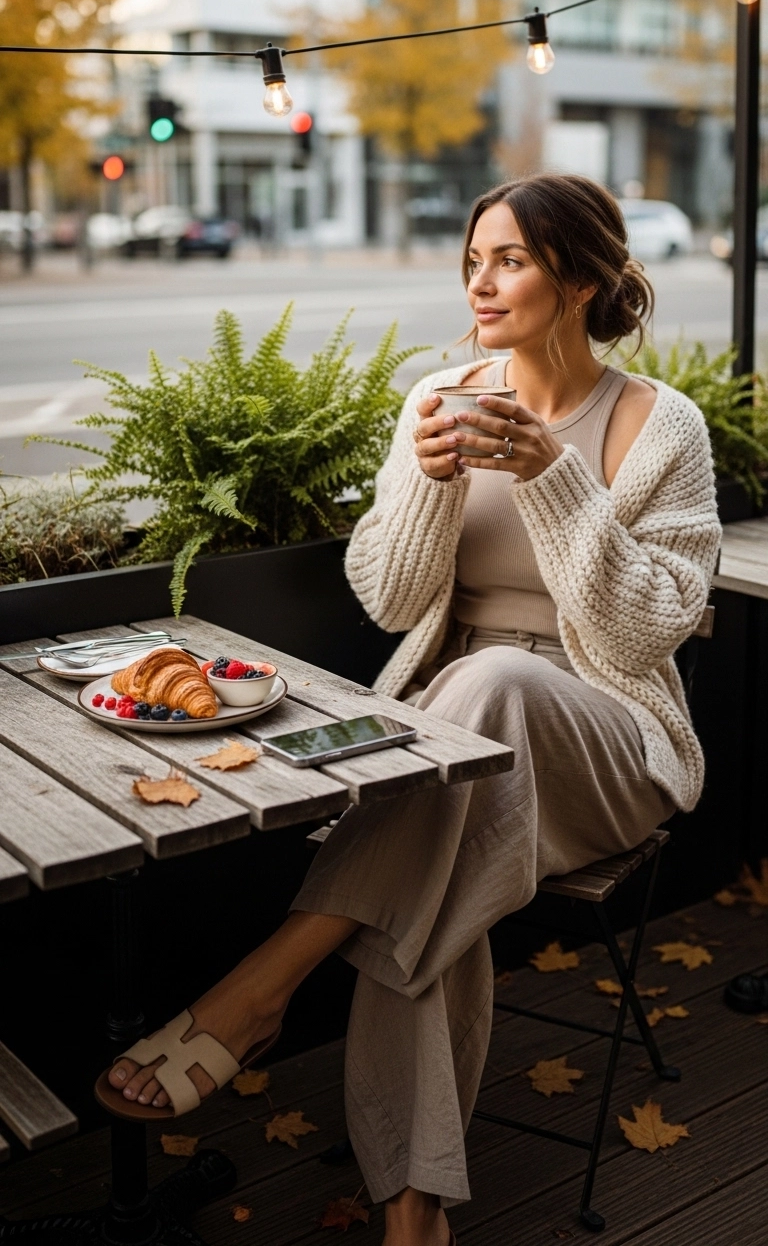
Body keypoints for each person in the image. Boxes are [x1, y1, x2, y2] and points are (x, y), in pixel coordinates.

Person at [96, 174, 721, 1246]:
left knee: (491, 696)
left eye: (511, 259)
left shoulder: (663, 427)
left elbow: (644, 636)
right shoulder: (438, 399)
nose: (480, 279)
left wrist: (555, 477)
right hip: (455, 738)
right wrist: (429, 482)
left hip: (609, 741)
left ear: (580, 278)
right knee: (444, 857)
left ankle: (264, 982)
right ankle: (415, 1211)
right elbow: (388, 599)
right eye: (474, 257)